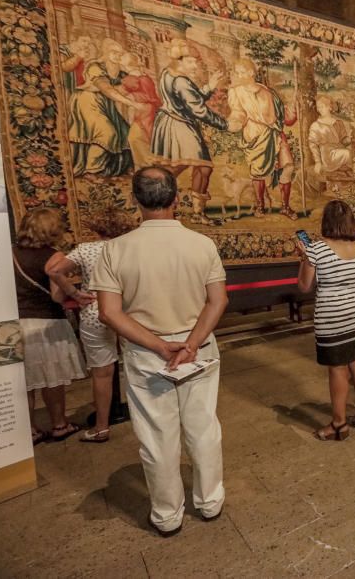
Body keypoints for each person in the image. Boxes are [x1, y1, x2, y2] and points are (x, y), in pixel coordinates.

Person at [92, 167, 229, 536]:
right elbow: (217, 301)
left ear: (135, 199)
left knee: (157, 435)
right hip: (197, 347)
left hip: (146, 350)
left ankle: (168, 514)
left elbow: (108, 312)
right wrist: (192, 343)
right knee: (203, 426)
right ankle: (209, 500)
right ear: (177, 198)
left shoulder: (115, 250)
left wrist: (159, 345)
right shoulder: (201, 244)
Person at [45, 206, 137, 442]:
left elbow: (54, 270)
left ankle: (101, 427)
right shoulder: (130, 248)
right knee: (136, 366)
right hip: (127, 312)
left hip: (94, 311)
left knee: (102, 373)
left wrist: (73, 293)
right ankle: (144, 419)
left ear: (97, 227)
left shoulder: (86, 249)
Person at [296, 200, 355, 440]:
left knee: (338, 368)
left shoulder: (316, 250)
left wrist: (302, 257)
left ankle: (339, 423)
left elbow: (304, 286)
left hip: (332, 318)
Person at [13, 208, 89, 444]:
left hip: (16, 323)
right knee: (52, 378)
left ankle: (31, 430)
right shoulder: (54, 257)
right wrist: (74, 292)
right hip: (46, 322)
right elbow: (57, 297)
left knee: (25, 382)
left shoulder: (10, 253)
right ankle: (59, 424)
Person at [150, 40, 227, 224]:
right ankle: (193, 213)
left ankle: (159, 208)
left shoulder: (167, 74)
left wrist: (209, 86)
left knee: (174, 168)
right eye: (191, 61)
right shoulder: (181, 81)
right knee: (199, 166)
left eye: (196, 62)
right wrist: (224, 124)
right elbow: (199, 110)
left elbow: (191, 99)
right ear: (180, 60)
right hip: (180, 125)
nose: (195, 66)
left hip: (168, 122)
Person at [226, 58, 299, 218]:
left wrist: (293, 110)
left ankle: (285, 207)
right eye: (236, 72)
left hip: (276, 135)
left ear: (251, 72)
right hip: (255, 136)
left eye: (241, 72)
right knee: (258, 173)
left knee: (288, 168)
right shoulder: (236, 92)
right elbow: (237, 113)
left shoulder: (268, 91)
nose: (238, 75)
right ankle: (260, 206)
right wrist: (235, 122)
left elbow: (285, 119)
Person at [67, 38, 138, 178]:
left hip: (106, 103)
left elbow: (130, 88)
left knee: (127, 133)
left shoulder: (121, 72)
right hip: (87, 100)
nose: (117, 56)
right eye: (114, 52)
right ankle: (91, 169)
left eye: (120, 53)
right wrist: (131, 103)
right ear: (105, 52)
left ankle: (122, 168)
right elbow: (106, 89)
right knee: (107, 133)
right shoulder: (96, 66)